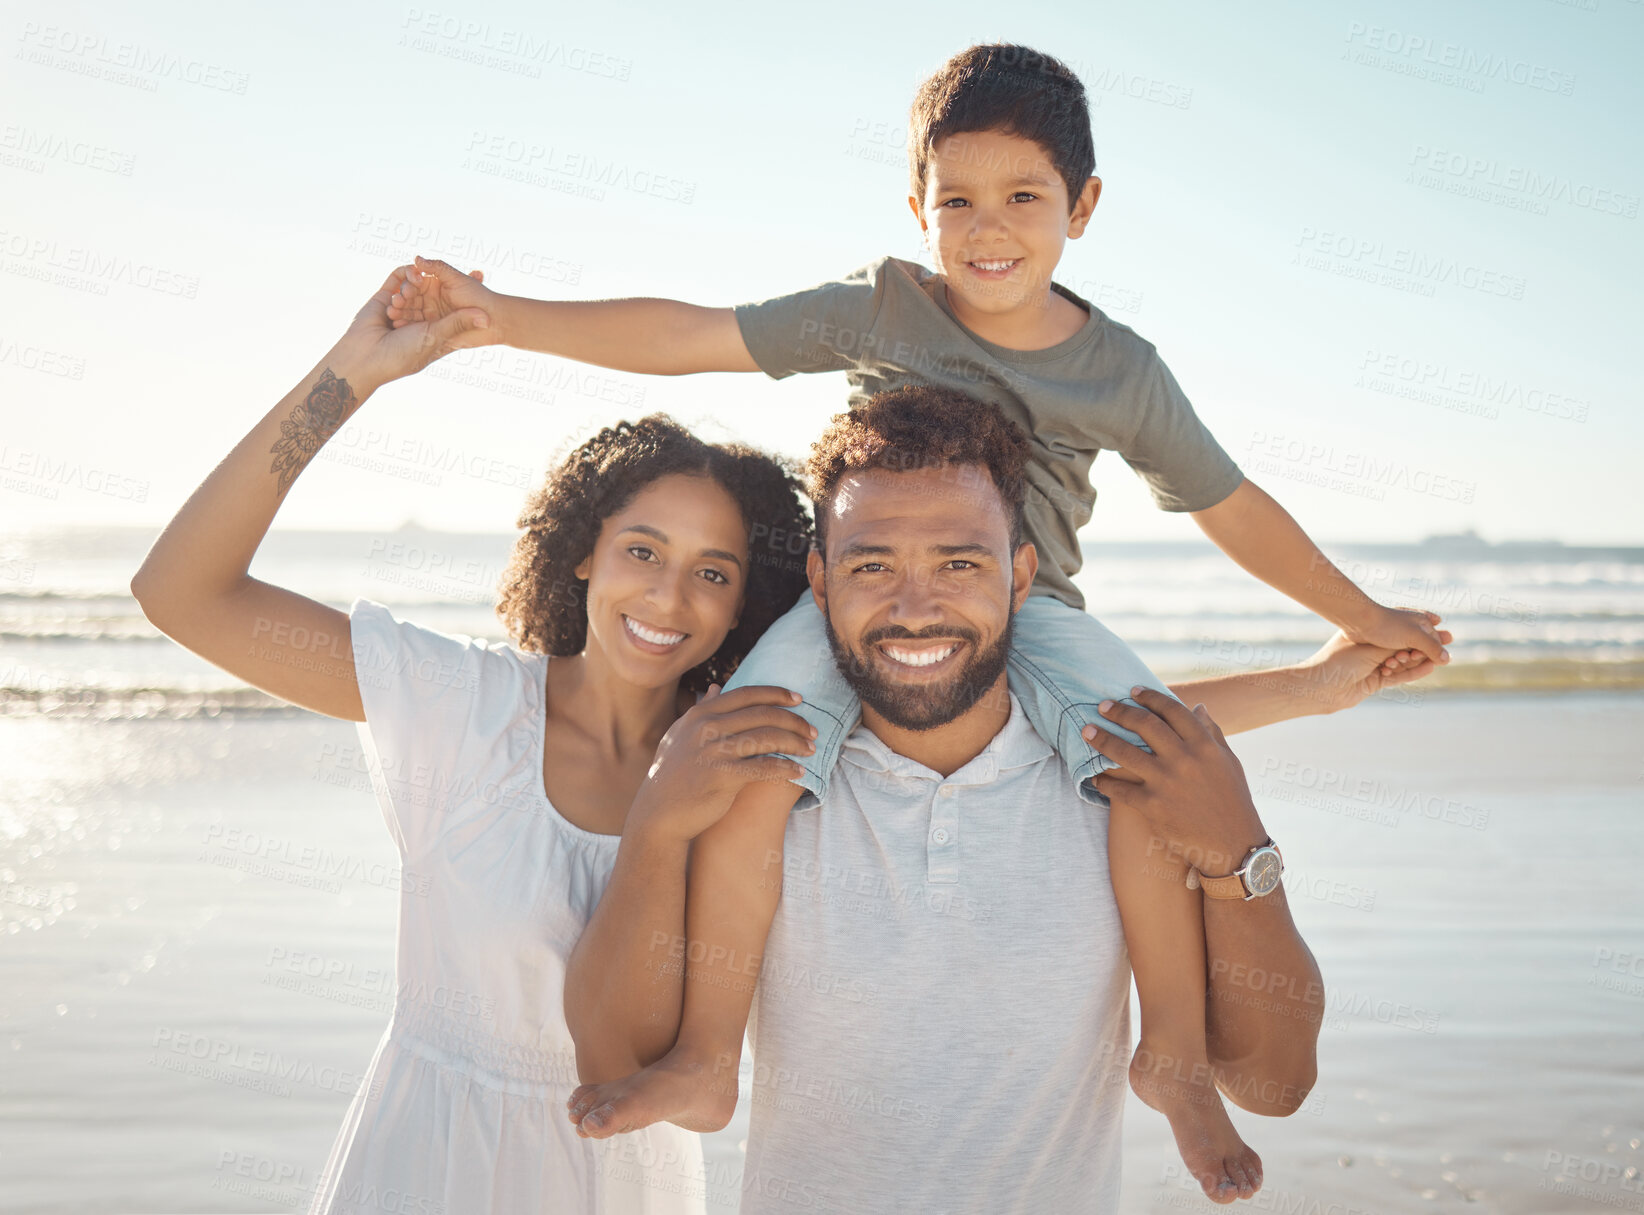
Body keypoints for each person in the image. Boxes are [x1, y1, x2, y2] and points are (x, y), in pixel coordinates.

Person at [383, 42, 1448, 1200]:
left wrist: (1360, 618)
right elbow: (695, 333)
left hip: (1033, 618)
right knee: (750, 757)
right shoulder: (882, 309)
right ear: (917, 206)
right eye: (959, 202)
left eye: (1025, 198)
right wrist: (502, 314)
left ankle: (1175, 1055)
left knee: (1145, 758)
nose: (990, 230)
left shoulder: (1121, 372)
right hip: (845, 612)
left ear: (1084, 207)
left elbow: (1232, 508)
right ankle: (704, 1057)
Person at [564, 387, 1437, 1212]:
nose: (915, 606)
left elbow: (1279, 1083)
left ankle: (1173, 1060)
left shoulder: (1126, 779)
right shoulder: (757, 777)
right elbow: (608, 1057)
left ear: (1022, 577)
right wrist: (654, 818)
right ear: (820, 581)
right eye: (872, 564)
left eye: (959, 563)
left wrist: (1243, 849)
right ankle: (707, 1056)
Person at [128, 269, 816, 1213]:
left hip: (623, 1185)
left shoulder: (734, 775)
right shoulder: (461, 707)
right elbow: (181, 592)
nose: (666, 597)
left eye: (713, 572)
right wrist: (352, 377)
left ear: (746, 602)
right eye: (642, 551)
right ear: (584, 551)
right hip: (427, 1167)